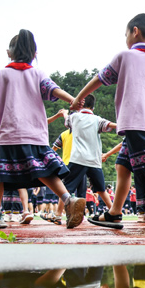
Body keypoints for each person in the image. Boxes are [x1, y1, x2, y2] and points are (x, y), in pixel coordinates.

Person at [71, 13, 145, 231]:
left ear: (134, 31)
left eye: (126, 33)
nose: (126, 37)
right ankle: (115, 212)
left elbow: (99, 78)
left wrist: (79, 97)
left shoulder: (125, 56)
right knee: (123, 165)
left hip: (134, 120)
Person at [0, 30, 84, 229]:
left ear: (9, 53)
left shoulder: (1, 75)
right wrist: (72, 100)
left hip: (9, 134)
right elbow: (53, 89)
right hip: (36, 135)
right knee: (43, 171)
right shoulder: (37, 74)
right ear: (34, 54)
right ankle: (68, 200)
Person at [54, 94, 117, 223]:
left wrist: (65, 113)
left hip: (78, 159)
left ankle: (58, 215)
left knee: (66, 188)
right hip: (94, 160)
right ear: (93, 107)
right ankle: (114, 212)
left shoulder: (74, 117)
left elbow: (67, 121)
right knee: (101, 189)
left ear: (79, 104)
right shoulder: (97, 120)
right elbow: (110, 125)